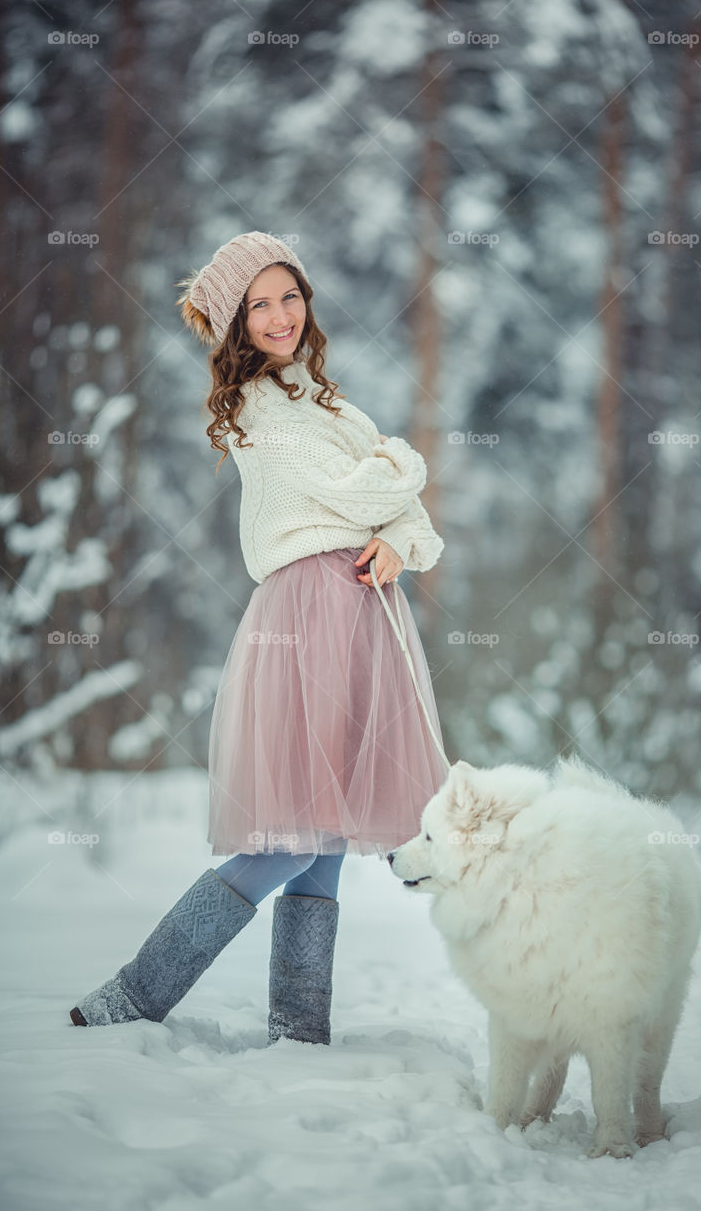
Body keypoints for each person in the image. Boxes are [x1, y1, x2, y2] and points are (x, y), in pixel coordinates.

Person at [69, 230, 449, 1045]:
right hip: (308, 610)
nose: (280, 315)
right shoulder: (255, 410)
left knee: (328, 840)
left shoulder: (331, 403)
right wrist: (402, 468)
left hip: (366, 608)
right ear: (236, 324)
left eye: (289, 295)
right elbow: (359, 492)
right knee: (293, 832)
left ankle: (299, 1025)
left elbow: (404, 516)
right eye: (259, 304)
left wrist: (398, 541)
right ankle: (135, 994)